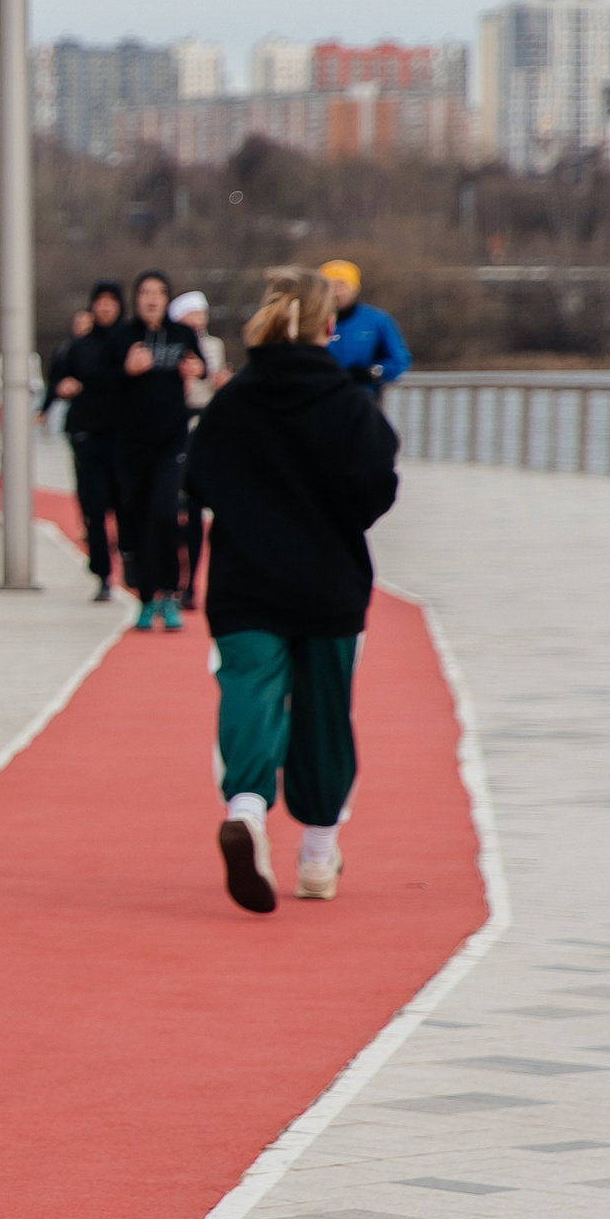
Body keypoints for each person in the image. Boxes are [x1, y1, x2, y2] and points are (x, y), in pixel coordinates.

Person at [183, 265, 400, 914]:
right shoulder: (348, 403)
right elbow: (377, 485)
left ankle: (247, 812)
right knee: (323, 712)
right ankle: (317, 855)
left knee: (249, 693)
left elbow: (197, 480)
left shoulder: (234, 402)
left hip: (245, 579)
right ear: (329, 325)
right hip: (328, 579)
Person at [82, 269, 204, 630]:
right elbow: (97, 382)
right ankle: (147, 597)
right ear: (136, 299)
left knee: (165, 514)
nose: (152, 299)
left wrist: (196, 369)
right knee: (135, 520)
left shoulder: (182, 334)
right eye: (146, 293)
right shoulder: (121, 338)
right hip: (130, 445)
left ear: (167, 299)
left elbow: (199, 366)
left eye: (159, 293)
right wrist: (127, 370)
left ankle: (170, 594)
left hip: (171, 441)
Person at [45, 284, 126, 602]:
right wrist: (56, 395)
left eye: (111, 302)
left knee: (124, 501)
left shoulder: (129, 342)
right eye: (100, 302)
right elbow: (57, 379)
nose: (105, 308)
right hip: (86, 432)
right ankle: (103, 573)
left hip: (123, 435)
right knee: (93, 505)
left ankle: (128, 556)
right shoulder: (77, 347)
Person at [167, 290, 230, 606]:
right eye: (190, 315)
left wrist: (218, 382)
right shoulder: (167, 344)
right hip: (172, 427)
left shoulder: (213, 346)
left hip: (203, 427)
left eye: (201, 315)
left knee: (194, 508)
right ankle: (170, 575)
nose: (197, 321)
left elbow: (215, 385)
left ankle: (191, 583)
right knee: (170, 508)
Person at [317, 260, 410, 402]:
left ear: (354, 289)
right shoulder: (310, 321)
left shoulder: (377, 320)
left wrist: (373, 372)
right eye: (330, 286)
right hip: (320, 398)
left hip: (362, 398)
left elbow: (399, 359)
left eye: (341, 285)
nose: (336, 292)